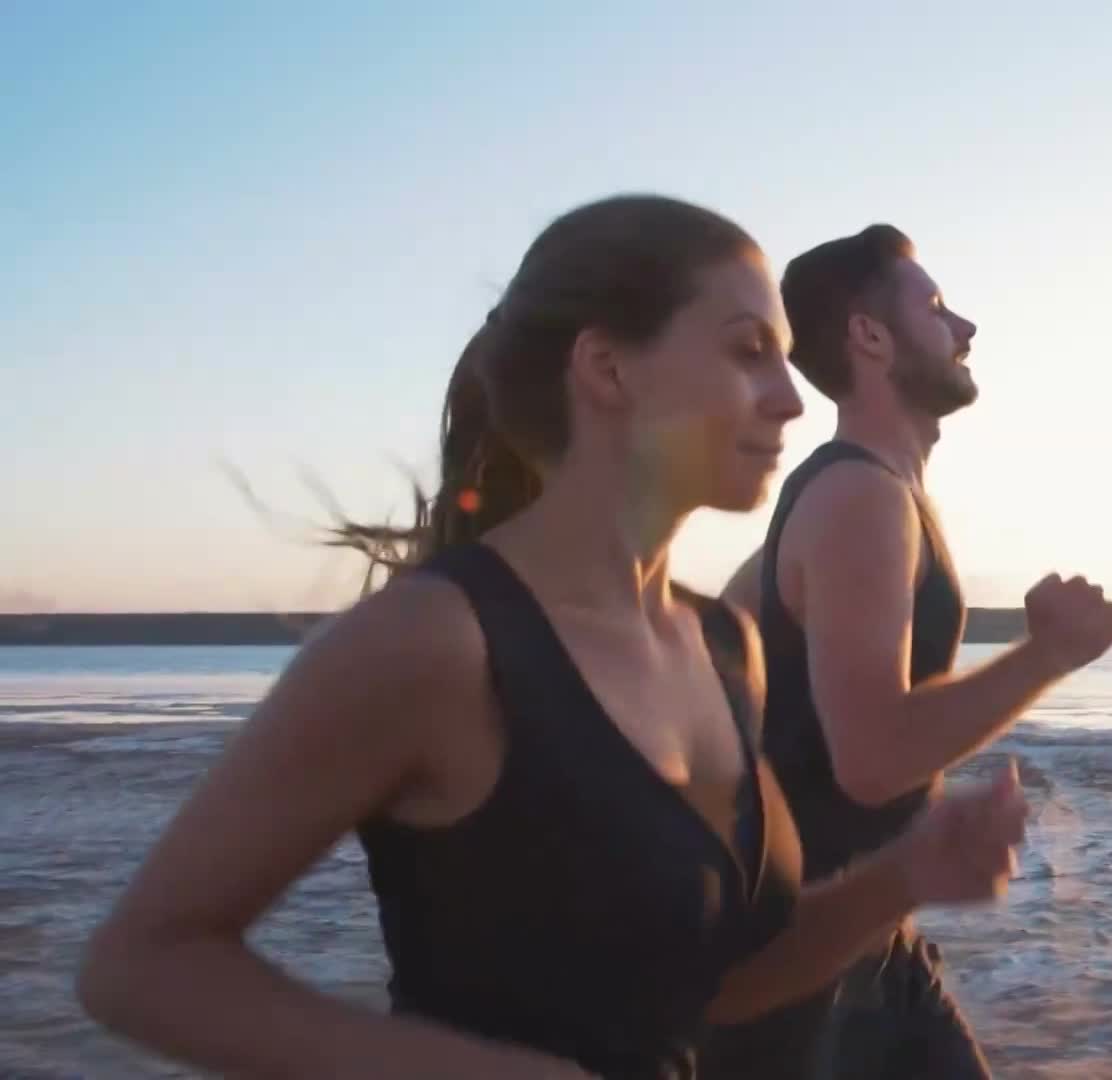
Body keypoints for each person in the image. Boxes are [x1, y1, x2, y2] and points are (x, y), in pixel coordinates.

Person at [74, 195, 1029, 1079]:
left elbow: (721, 985)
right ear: (607, 368)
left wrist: (905, 875)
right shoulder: (440, 641)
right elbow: (140, 966)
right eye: (748, 352)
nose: (788, 396)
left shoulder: (721, 647)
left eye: (783, 356)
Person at [699, 226, 1112, 1079]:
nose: (965, 327)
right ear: (869, 335)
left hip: (868, 941)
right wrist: (1046, 656)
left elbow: (721, 647)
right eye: (935, 307)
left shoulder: (854, 494)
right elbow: (872, 759)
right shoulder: (860, 494)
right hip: (811, 972)